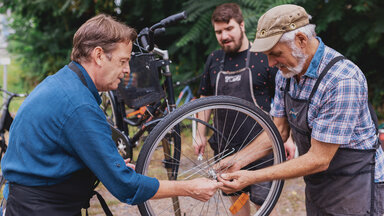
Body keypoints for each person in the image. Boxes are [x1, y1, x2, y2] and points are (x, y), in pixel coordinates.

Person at [0, 14, 222, 216]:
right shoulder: (79, 105)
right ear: (99, 56)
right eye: (123, 61)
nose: (127, 70)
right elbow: (127, 187)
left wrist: (105, 165)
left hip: (27, 201)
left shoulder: (63, 83)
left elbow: (55, 152)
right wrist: (189, 188)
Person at [217, 4, 384, 215]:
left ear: (301, 40)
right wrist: (237, 161)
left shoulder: (342, 80)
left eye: (275, 53)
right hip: (319, 185)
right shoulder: (287, 73)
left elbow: (319, 159)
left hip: (356, 185)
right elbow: (278, 131)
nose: (270, 63)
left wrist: (252, 176)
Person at [194, 3, 280, 215]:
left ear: (242, 25)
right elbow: (205, 97)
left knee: (263, 206)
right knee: (238, 207)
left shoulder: (262, 57)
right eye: (218, 32)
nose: (224, 36)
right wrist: (199, 134)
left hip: (262, 150)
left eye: (229, 29)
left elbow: (280, 102)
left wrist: (286, 139)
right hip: (225, 149)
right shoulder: (214, 60)